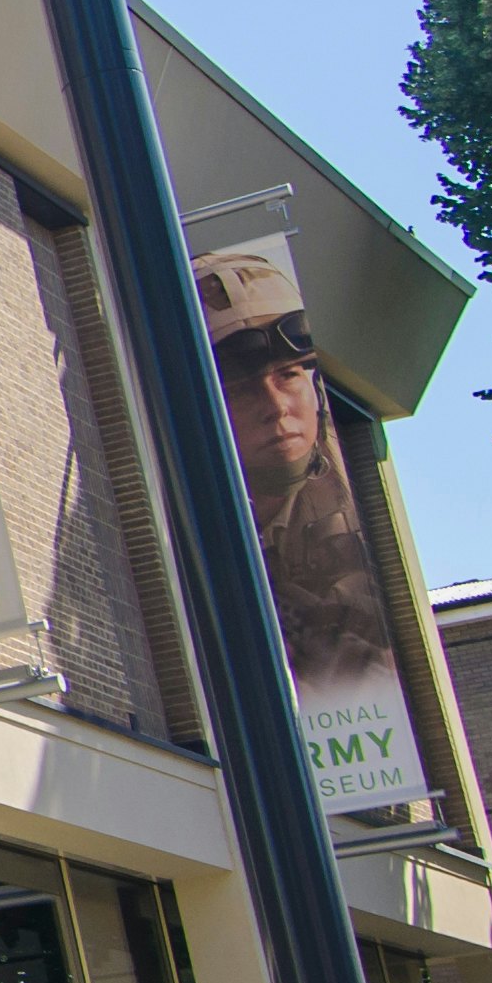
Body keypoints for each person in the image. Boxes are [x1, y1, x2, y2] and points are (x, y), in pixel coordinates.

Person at [196, 247, 397, 680]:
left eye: (288, 376)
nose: (276, 408)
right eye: (244, 390)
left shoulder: (344, 518)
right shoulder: (192, 527)